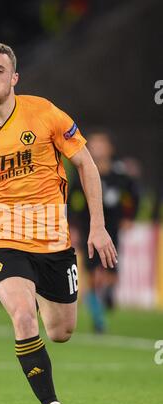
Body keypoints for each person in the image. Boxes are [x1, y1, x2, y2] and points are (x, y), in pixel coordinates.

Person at [0, 43, 117, 404]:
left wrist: (97, 225)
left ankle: (39, 293)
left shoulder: (44, 113)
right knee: (24, 318)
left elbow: (86, 164)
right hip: (3, 240)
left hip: (54, 241)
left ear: (14, 78)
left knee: (60, 332)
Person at [69, 132, 139, 332]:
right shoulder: (81, 171)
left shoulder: (120, 173)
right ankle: (98, 318)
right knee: (92, 274)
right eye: (94, 145)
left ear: (110, 148)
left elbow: (132, 196)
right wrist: (73, 225)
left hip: (112, 228)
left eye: (101, 144)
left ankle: (108, 293)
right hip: (88, 227)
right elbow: (72, 199)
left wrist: (129, 217)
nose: (97, 148)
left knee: (111, 273)